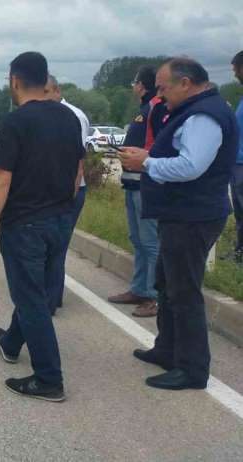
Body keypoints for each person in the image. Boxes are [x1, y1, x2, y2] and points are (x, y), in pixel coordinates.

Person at [119, 58, 239, 390]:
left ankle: (192, 369)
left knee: (184, 292)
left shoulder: (204, 116)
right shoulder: (193, 111)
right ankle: (168, 349)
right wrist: (148, 158)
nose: (159, 95)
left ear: (185, 83)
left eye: (163, 87)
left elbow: (191, 167)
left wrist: (147, 162)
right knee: (167, 285)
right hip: (181, 214)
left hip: (194, 215)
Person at [0, 52, 85, 402]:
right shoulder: (70, 118)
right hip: (61, 217)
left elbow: (1, 179)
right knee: (36, 290)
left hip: (26, 223)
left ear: (14, 81)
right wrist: (65, 208)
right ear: (45, 79)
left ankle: (48, 378)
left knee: (30, 300)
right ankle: (11, 342)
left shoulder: (17, 122)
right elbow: (76, 173)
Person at [107, 65, 161, 317]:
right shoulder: (143, 110)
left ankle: (153, 295)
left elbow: (158, 146)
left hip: (147, 184)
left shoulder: (156, 107)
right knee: (138, 241)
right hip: (132, 182)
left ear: (141, 85)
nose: (133, 87)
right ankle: (139, 289)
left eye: (134, 82)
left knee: (150, 242)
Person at [44, 75, 89, 313]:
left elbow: (78, 162)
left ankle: (51, 299)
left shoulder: (73, 116)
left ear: (57, 91)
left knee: (57, 246)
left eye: (48, 92)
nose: (44, 98)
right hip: (53, 189)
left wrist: (68, 195)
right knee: (52, 245)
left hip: (69, 190)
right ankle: (52, 294)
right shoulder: (49, 114)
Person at [230, 51, 243, 263]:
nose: (234, 75)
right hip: (236, 162)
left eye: (236, 70)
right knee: (239, 213)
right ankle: (239, 252)